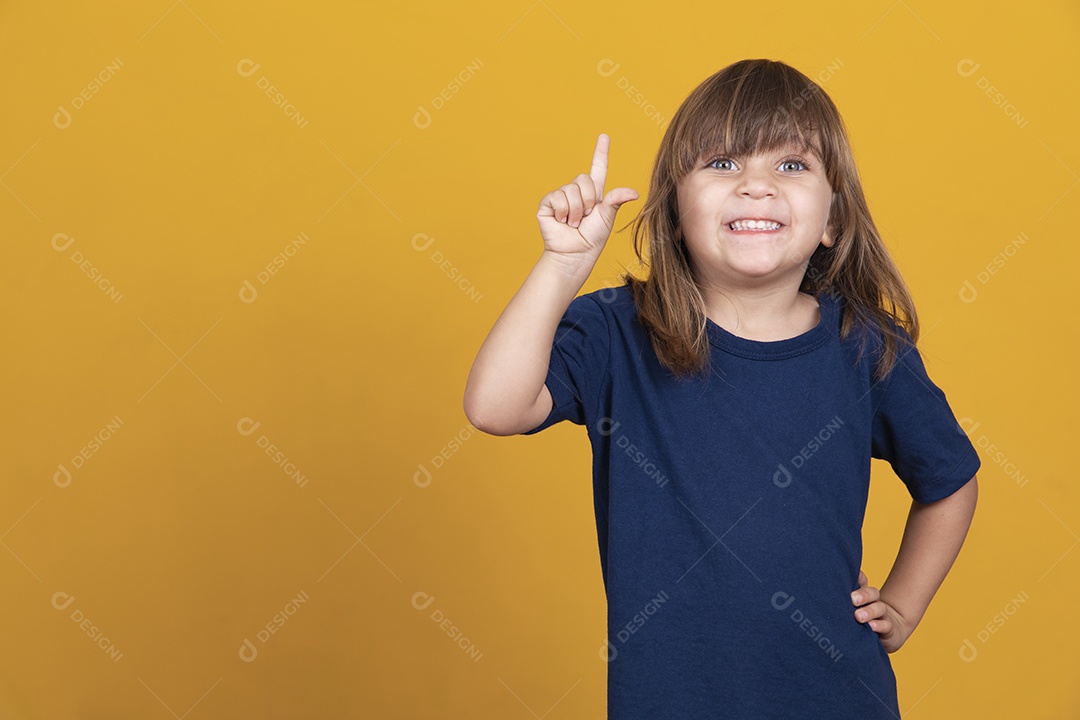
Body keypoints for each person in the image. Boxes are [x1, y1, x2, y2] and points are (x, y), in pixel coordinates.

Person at [463, 58, 979, 718]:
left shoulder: (864, 346)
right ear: (676, 212)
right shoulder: (618, 331)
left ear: (832, 221)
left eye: (791, 166)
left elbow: (950, 478)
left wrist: (904, 605)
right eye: (722, 163)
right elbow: (494, 407)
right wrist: (562, 267)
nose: (756, 187)